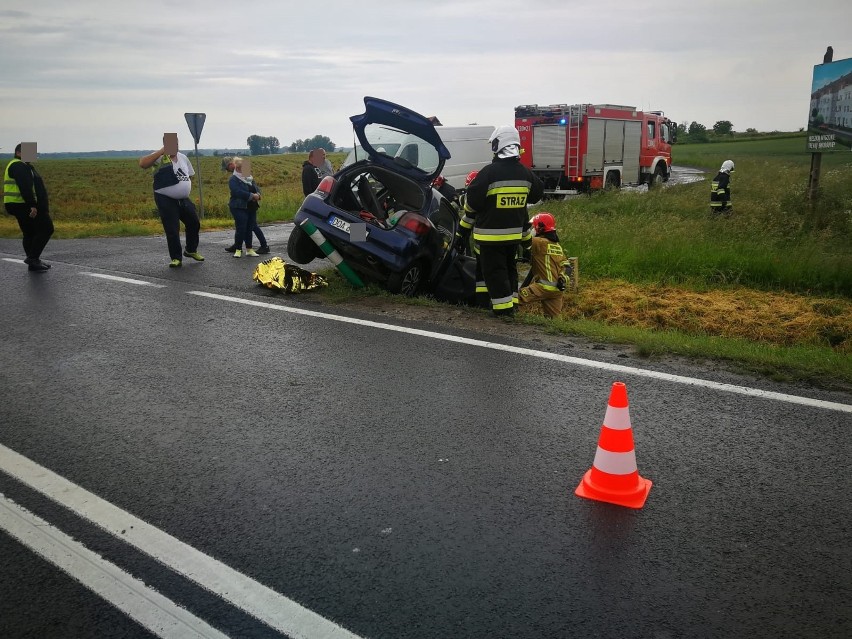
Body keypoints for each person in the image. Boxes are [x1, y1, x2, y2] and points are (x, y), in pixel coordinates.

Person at [463, 126, 544, 317]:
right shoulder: (525, 173)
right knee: (509, 270)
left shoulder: (488, 173)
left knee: (494, 273)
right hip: (514, 237)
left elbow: (473, 202)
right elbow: (536, 194)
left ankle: (503, 312)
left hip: (490, 238)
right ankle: (512, 306)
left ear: (499, 145)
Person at [138, 140, 204, 267]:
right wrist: (161, 152)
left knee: (194, 222)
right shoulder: (160, 158)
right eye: (172, 144)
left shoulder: (183, 157)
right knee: (172, 228)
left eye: (177, 144)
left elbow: (190, 175)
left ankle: (190, 250)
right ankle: (176, 258)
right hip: (165, 198)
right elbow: (142, 164)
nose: (175, 147)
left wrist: (183, 188)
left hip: (183, 198)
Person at [3, 143, 53, 272]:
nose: (33, 155)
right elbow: (25, 187)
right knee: (46, 228)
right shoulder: (19, 166)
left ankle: (33, 262)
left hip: (18, 204)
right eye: (30, 152)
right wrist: (32, 205)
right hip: (23, 205)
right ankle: (33, 258)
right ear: (19, 153)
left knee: (29, 233)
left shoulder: (23, 165)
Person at [518, 212, 570, 318]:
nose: (533, 229)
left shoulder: (539, 242)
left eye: (534, 226)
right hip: (557, 291)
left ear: (540, 228)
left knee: (511, 302)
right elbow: (568, 267)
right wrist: (563, 279)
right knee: (553, 320)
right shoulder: (557, 246)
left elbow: (524, 240)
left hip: (542, 288)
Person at [223, 159, 269, 254]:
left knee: (250, 226)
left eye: (228, 168)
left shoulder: (245, 172)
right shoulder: (235, 177)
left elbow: (254, 186)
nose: (228, 170)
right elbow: (237, 191)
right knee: (243, 226)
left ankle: (263, 245)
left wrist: (258, 195)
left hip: (250, 206)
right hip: (242, 206)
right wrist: (252, 196)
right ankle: (239, 246)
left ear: (232, 164)